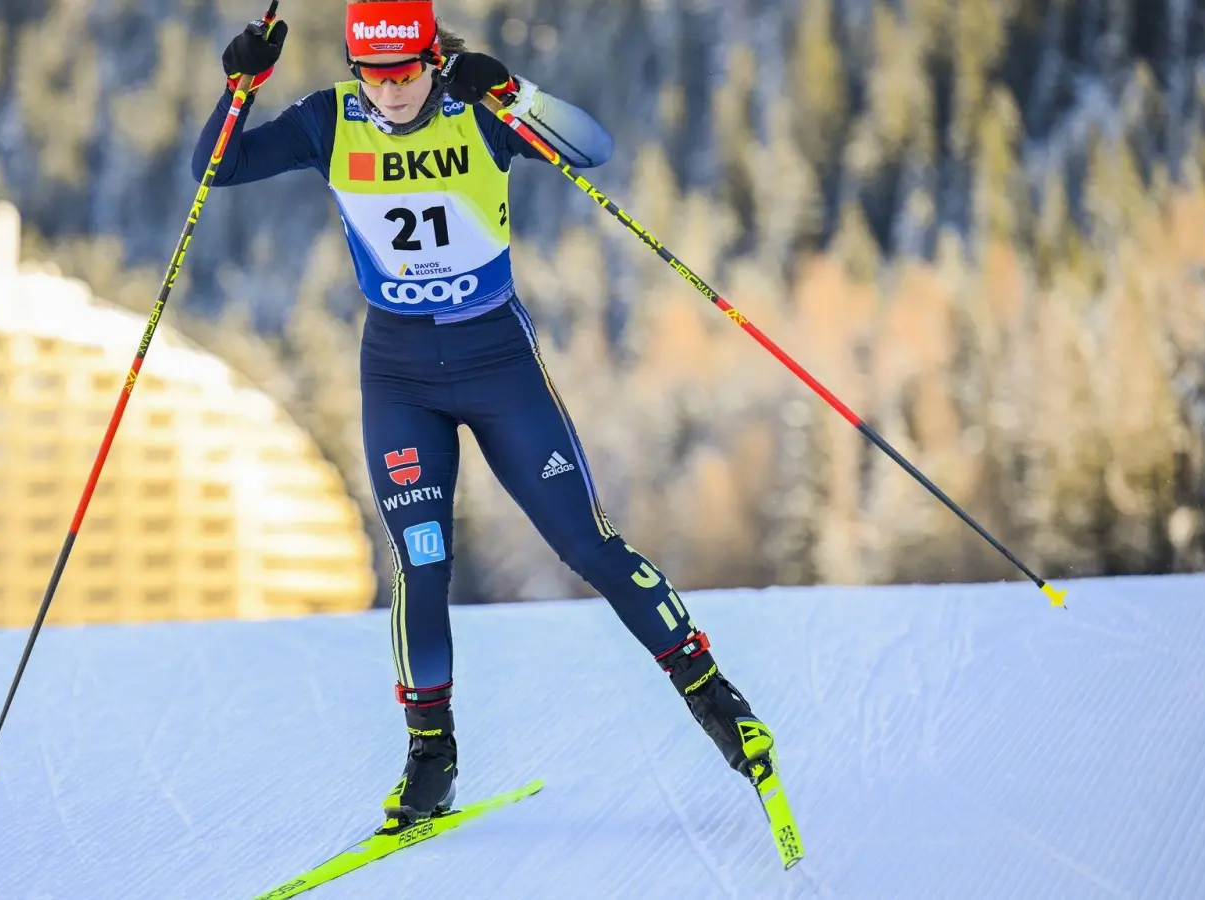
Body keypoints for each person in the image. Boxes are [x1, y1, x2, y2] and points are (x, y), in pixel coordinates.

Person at [193, 0, 776, 833]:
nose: (391, 94)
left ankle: (720, 705)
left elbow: (592, 147)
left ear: (434, 58)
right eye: (374, 75)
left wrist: (514, 91)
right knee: (421, 564)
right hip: (399, 376)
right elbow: (215, 168)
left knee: (589, 546)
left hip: (497, 363)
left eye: (404, 72)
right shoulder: (331, 119)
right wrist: (238, 88)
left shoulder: (477, 106)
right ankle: (431, 755)